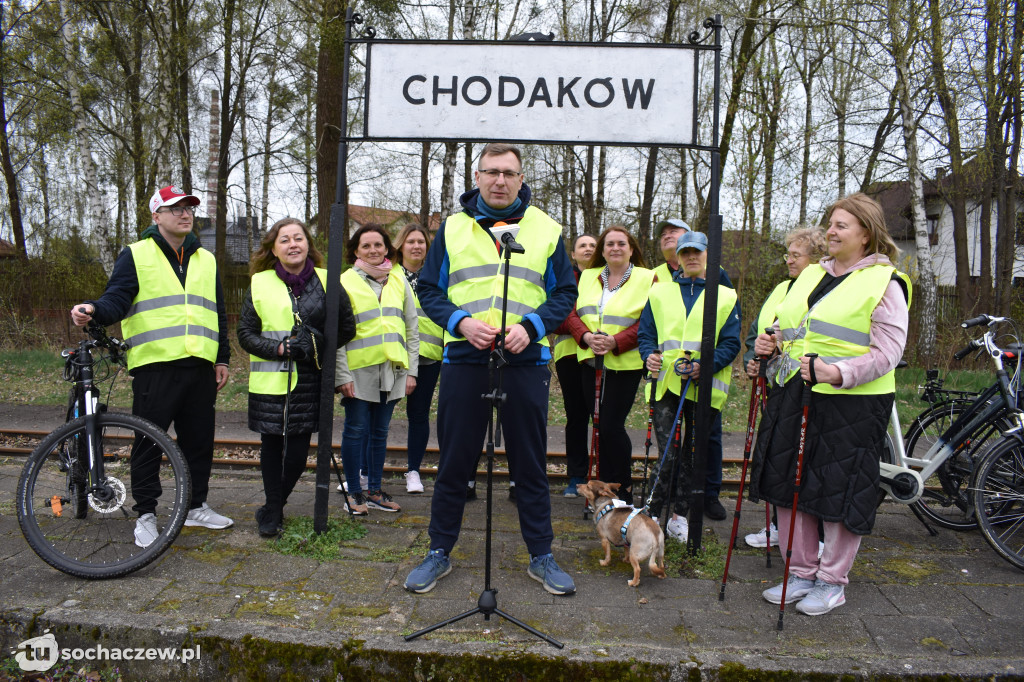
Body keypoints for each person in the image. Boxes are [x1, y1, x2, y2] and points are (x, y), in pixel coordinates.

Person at [404, 142, 578, 596]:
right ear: (477, 177)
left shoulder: (546, 229)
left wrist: (533, 325)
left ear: (521, 180)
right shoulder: (452, 229)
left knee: (530, 464)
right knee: (454, 462)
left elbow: (564, 293)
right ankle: (438, 550)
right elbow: (428, 289)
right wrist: (461, 323)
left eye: (509, 173)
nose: (500, 181)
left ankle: (541, 555)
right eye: (491, 172)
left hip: (526, 359)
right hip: (465, 358)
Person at [750, 193, 909, 616]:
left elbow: (888, 353)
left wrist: (837, 373)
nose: (832, 231)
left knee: (838, 489)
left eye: (842, 225)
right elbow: (792, 328)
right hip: (794, 392)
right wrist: (772, 341)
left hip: (853, 404)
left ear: (866, 234)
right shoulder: (810, 276)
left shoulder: (885, 283)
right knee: (788, 483)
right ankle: (799, 572)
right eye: (831, 223)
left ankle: (832, 581)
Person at [70, 185, 233, 548]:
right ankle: (146, 513)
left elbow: (218, 312)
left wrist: (222, 357)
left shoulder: (206, 259)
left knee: (199, 442)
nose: (185, 214)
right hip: (155, 365)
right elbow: (117, 298)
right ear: (156, 216)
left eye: (189, 208)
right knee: (148, 442)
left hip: (200, 366)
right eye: (175, 208)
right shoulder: (136, 254)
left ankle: (195, 506)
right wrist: (94, 309)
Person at [237, 218, 356, 537]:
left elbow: (347, 327)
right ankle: (273, 510)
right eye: (284, 239)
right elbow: (245, 333)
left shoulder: (328, 280)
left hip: (309, 381)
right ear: (273, 249)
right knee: (272, 446)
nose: (293, 244)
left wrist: (314, 343)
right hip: (269, 382)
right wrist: (277, 347)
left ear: (308, 244)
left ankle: (274, 506)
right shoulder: (259, 283)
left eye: (298, 238)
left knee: (299, 452)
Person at [638, 231, 740, 543]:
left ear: (708, 255)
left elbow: (731, 342)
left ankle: (679, 516)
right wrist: (649, 356)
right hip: (667, 384)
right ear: (677, 258)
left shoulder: (725, 296)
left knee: (695, 456)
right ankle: (651, 512)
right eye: (685, 252)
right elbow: (647, 334)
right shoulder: (659, 293)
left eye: (697, 251)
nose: (691, 257)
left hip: (704, 387)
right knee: (669, 452)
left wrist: (704, 366)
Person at [740, 227, 827, 549]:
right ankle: (779, 525)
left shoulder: (825, 290)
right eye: (787, 253)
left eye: (795, 255)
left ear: (816, 258)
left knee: (804, 462)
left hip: (811, 387)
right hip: (776, 385)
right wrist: (755, 359)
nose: (788, 260)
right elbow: (758, 332)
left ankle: (812, 536)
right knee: (776, 458)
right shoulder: (781, 288)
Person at [563, 227, 652, 505]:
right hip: (590, 360)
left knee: (612, 425)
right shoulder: (588, 276)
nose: (615, 248)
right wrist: (586, 337)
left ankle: (622, 488)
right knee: (599, 424)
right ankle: (603, 488)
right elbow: (570, 311)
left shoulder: (647, 278)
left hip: (624, 363)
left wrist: (616, 341)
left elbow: (650, 320)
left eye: (621, 243)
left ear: (631, 248)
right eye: (609, 244)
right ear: (602, 250)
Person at [335, 224, 419, 515]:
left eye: (378, 245)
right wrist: (341, 374)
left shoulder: (398, 280)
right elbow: (335, 332)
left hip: (392, 370)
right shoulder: (344, 281)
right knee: (356, 430)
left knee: (380, 432)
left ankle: (374, 491)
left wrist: (412, 371)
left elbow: (412, 328)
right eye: (366, 246)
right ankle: (354, 494)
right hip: (358, 371)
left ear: (387, 248)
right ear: (355, 250)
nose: (373, 250)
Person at [394, 222, 443, 494]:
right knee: (379, 415)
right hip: (395, 356)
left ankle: (413, 471)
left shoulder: (436, 276)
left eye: (421, 242)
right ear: (401, 245)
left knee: (419, 414)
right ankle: (366, 472)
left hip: (428, 356)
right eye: (411, 241)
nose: (416, 246)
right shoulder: (388, 275)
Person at [551, 234, 597, 498]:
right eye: (583, 246)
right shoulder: (563, 278)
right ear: (574, 254)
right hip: (569, 355)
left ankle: (601, 473)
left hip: (599, 356)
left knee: (601, 418)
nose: (588, 249)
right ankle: (576, 477)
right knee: (576, 417)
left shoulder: (607, 278)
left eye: (593, 245)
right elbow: (556, 318)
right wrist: (579, 325)